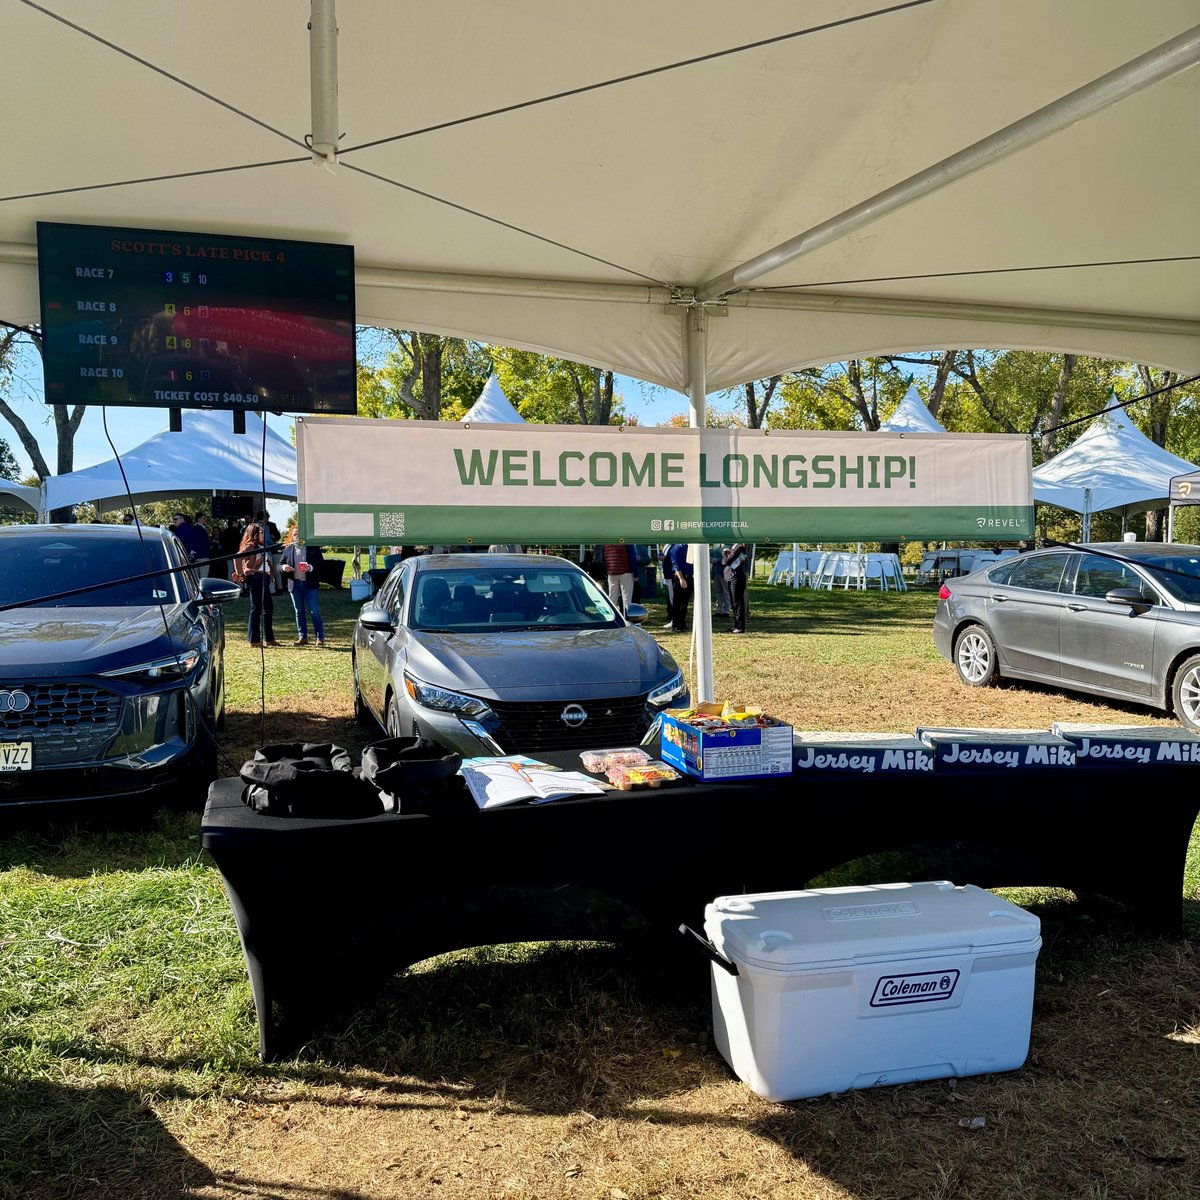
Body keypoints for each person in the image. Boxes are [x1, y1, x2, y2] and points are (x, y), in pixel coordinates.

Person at [233, 520, 278, 647]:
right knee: (256, 608)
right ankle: (254, 640)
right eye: (261, 533)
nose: (264, 535)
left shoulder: (259, 546)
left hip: (264, 577)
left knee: (268, 608)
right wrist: (240, 574)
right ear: (254, 534)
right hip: (255, 577)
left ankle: (269, 639)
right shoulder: (250, 546)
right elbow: (237, 557)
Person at [281, 528, 327, 646]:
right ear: (292, 536)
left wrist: (310, 567)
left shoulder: (313, 548)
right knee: (299, 611)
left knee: (314, 610)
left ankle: (319, 637)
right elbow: (279, 564)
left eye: (299, 535)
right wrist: (283, 567)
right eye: (294, 535)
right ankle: (302, 637)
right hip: (294, 584)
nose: (296, 537)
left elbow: (321, 564)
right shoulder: (288, 549)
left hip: (310, 584)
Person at [602, 543, 638, 615]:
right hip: (626, 572)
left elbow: (603, 558)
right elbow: (632, 557)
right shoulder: (627, 542)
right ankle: (627, 619)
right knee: (627, 599)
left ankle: (611, 617)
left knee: (612, 598)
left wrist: (607, 570)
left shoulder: (605, 543)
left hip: (612, 572)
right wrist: (635, 573)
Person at [722, 542, 750, 633]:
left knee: (738, 603)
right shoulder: (735, 547)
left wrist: (725, 553)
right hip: (732, 577)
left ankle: (740, 627)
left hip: (736, 578)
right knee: (734, 603)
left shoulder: (739, 548)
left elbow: (725, 561)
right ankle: (737, 625)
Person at [665, 543, 693, 632]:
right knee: (678, 602)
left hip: (689, 576)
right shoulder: (677, 547)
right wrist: (681, 579)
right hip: (681, 576)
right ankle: (677, 624)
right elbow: (675, 564)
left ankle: (682, 623)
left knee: (684, 602)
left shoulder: (689, 547)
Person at [711, 546, 730, 617]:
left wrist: (717, 560)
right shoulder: (715, 546)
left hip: (725, 572)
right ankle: (719, 610)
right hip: (716, 572)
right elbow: (710, 556)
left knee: (725, 592)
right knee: (718, 592)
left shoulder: (729, 545)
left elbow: (730, 558)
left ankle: (726, 611)